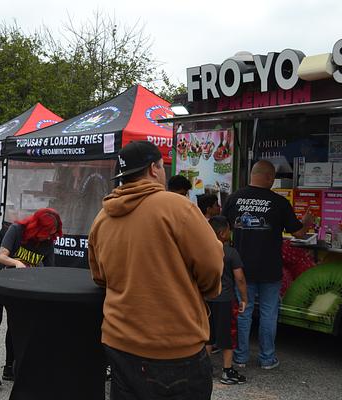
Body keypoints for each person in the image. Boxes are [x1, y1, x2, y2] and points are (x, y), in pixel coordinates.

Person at [88, 141, 223, 399]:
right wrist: (205, 291)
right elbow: (213, 266)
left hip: (119, 343)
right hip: (174, 347)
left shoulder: (102, 217)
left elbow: (99, 276)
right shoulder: (178, 207)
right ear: (153, 168)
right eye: (162, 166)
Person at [222, 160, 313, 370]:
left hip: (241, 268)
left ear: (252, 174)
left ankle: (240, 357)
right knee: (269, 314)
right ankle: (267, 358)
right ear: (270, 177)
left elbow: (222, 229)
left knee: (244, 311)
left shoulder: (234, 198)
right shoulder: (279, 202)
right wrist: (307, 221)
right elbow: (299, 233)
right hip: (270, 269)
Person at [0, 208, 62, 388]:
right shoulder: (17, 230)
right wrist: (17, 262)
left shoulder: (48, 243)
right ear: (38, 227)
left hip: (17, 287)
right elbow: (1, 257)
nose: (50, 236)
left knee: (15, 325)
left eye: (53, 233)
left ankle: (9, 367)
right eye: (47, 232)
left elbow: (50, 272)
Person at [205, 216, 248, 385]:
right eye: (229, 229)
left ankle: (205, 369)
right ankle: (227, 371)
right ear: (223, 233)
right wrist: (244, 298)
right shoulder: (230, 252)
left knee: (208, 335)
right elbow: (240, 278)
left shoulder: (202, 250)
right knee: (228, 336)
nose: (230, 232)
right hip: (225, 300)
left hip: (206, 298)